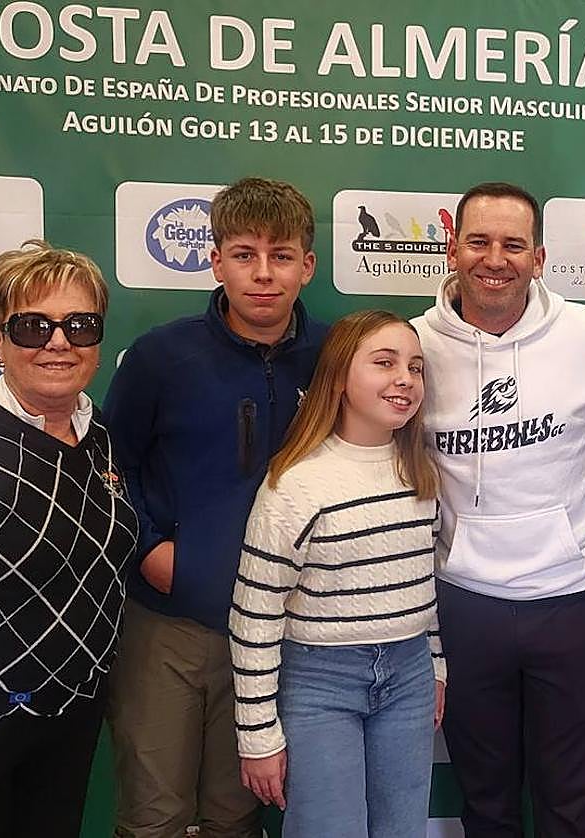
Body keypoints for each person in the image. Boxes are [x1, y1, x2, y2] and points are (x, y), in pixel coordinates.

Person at [412, 181, 585, 837]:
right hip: (464, 603)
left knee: (569, 803)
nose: (495, 259)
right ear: (452, 250)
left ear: (538, 258)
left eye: (513, 245)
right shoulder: (414, 346)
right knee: (486, 802)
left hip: (572, 601)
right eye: (479, 242)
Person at [104, 177, 328, 837]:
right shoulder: (160, 356)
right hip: (170, 623)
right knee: (155, 815)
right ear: (215, 261)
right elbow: (112, 467)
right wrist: (151, 549)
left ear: (308, 265)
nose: (263, 273)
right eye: (244, 254)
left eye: (280, 256)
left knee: (236, 816)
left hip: (284, 629)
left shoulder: (334, 358)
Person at [229, 310, 445, 837]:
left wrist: (436, 666)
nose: (405, 379)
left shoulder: (421, 473)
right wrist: (257, 734)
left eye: (415, 367)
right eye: (384, 363)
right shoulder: (295, 485)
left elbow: (422, 585)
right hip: (318, 681)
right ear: (340, 379)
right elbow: (255, 616)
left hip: (410, 675)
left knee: (402, 829)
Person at [0, 240, 138, 836]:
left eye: (79, 325)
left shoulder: (101, 434)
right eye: (33, 326)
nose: (58, 342)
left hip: (70, 714)